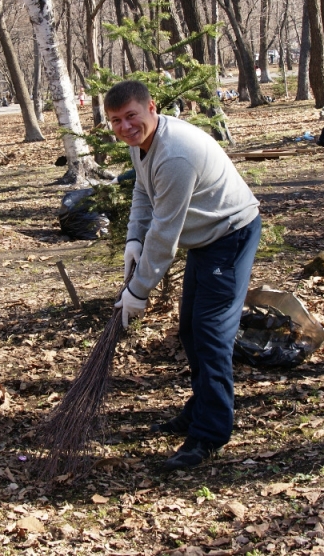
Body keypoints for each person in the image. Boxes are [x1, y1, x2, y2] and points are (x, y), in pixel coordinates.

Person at [104, 80, 261, 470]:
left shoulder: (175, 155)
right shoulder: (143, 144)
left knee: (210, 333)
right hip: (207, 240)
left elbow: (166, 232)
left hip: (230, 235)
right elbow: (144, 193)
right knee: (191, 327)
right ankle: (200, 409)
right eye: (115, 120)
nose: (124, 127)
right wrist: (132, 240)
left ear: (151, 108)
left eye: (131, 117)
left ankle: (209, 433)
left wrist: (138, 291)